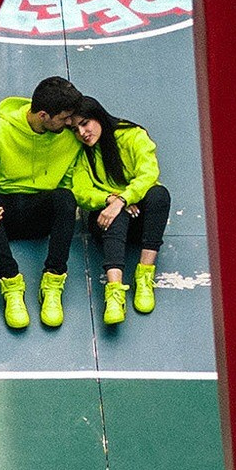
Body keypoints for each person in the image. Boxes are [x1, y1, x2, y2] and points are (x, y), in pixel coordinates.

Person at [0, 76, 83, 331]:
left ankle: (52, 282)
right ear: (43, 116)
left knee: (65, 197)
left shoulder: (69, 137)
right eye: (64, 118)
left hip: (42, 217)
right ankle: (11, 284)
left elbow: (72, 181)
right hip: (6, 216)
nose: (69, 123)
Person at [68, 95, 171, 326]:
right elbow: (81, 191)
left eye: (85, 123)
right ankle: (114, 291)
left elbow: (148, 174)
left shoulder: (133, 136)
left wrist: (123, 199)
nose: (82, 133)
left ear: (98, 117)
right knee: (116, 215)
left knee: (159, 194)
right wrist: (111, 200)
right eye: (75, 129)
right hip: (105, 222)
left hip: (140, 218)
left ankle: (144, 275)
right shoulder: (81, 153)